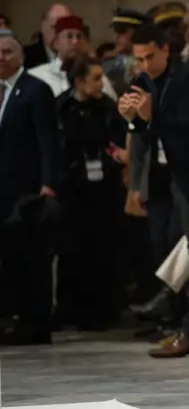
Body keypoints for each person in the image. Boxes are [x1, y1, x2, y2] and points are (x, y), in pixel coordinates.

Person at [119, 24, 189, 359]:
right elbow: (143, 128)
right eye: (138, 59)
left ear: (165, 49)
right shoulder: (146, 79)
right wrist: (131, 118)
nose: (143, 64)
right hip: (166, 177)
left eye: (149, 56)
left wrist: (152, 114)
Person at [55, 53, 127, 330]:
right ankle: (72, 309)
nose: (101, 83)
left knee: (104, 250)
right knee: (73, 250)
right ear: (79, 81)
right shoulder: (61, 108)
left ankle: (105, 309)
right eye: (95, 78)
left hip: (104, 188)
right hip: (73, 189)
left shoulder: (107, 107)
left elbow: (115, 139)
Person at [0, 30, 59, 345]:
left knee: (32, 256)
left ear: (20, 56)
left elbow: (48, 140)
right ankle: (15, 317)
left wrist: (48, 182)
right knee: (9, 257)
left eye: (7, 52)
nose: (1, 58)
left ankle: (36, 322)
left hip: (28, 190)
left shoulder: (35, 90)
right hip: (2, 192)